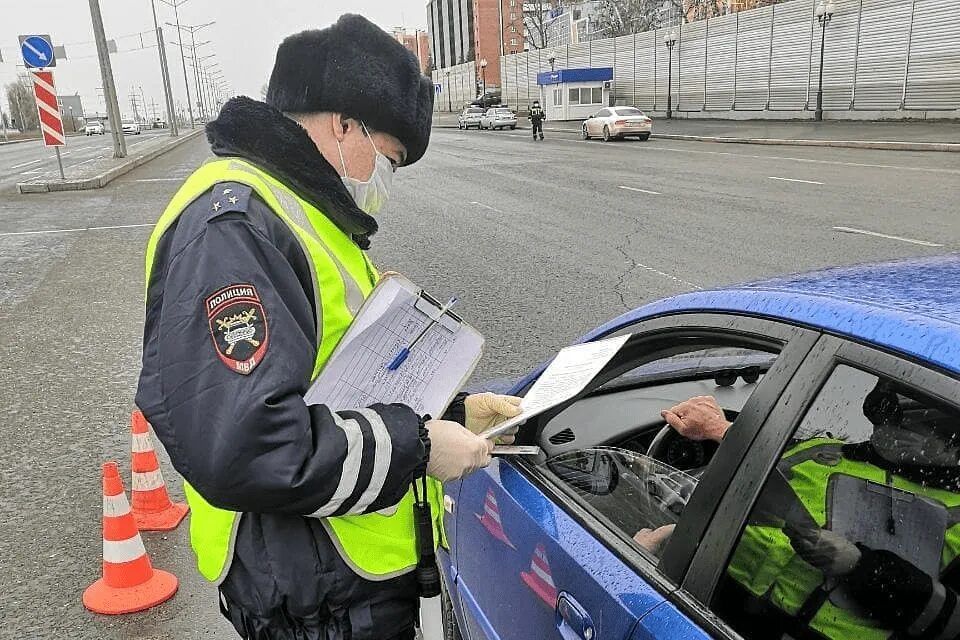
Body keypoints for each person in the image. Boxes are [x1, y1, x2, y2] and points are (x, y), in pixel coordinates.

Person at [136, 15, 521, 640]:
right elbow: (251, 443)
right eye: (389, 158)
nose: (385, 181)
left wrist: (453, 410)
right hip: (310, 591)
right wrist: (420, 448)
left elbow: (343, 374)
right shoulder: (236, 229)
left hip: (342, 577)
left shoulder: (304, 214)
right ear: (343, 123)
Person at [635, 390, 960, 640]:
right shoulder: (818, 451)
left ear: (953, 442)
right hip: (704, 612)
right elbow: (761, 468)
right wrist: (720, 429)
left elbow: (953, 624)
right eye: (885, 416)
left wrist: (860, 568)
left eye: (912, 426)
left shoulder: (956, 519)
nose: (889, 428)